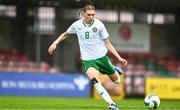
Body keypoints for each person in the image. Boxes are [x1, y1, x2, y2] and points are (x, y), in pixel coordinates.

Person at [48, 4, 127, 110]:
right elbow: (65, 34)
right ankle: (112, 104)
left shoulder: (99, 25)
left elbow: (107, 43)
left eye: (93, 15)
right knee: (96, 81)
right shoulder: (77, 25)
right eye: (89, 14)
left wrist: (119, 58)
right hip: (88, 60)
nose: (91, 17)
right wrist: (55, 43)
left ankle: (114, 69)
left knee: (117, 81)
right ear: (84, 14)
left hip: (101, 57)